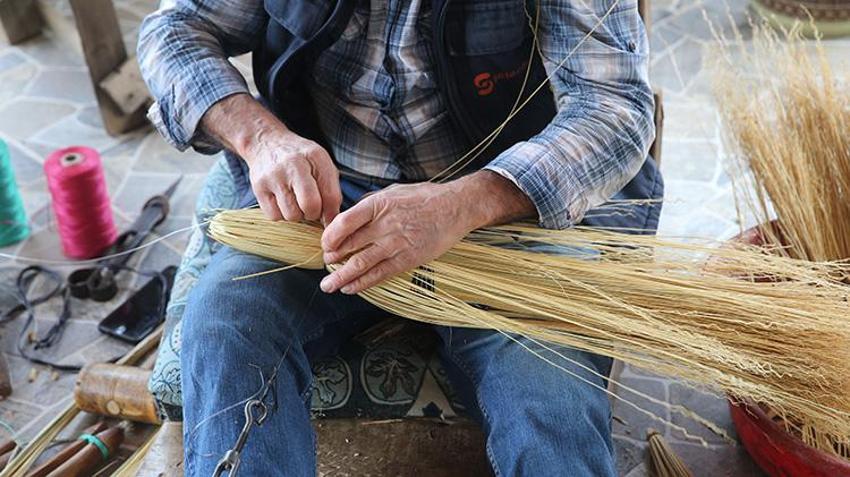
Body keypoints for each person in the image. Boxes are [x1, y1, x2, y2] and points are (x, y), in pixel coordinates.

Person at [138, 0, 662, 474]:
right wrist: (261, 138)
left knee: (552, 401)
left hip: (502, 212)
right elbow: (175, 31)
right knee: (228, 323)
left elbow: (614, 108)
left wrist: (465, 203)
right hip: (327, 204)